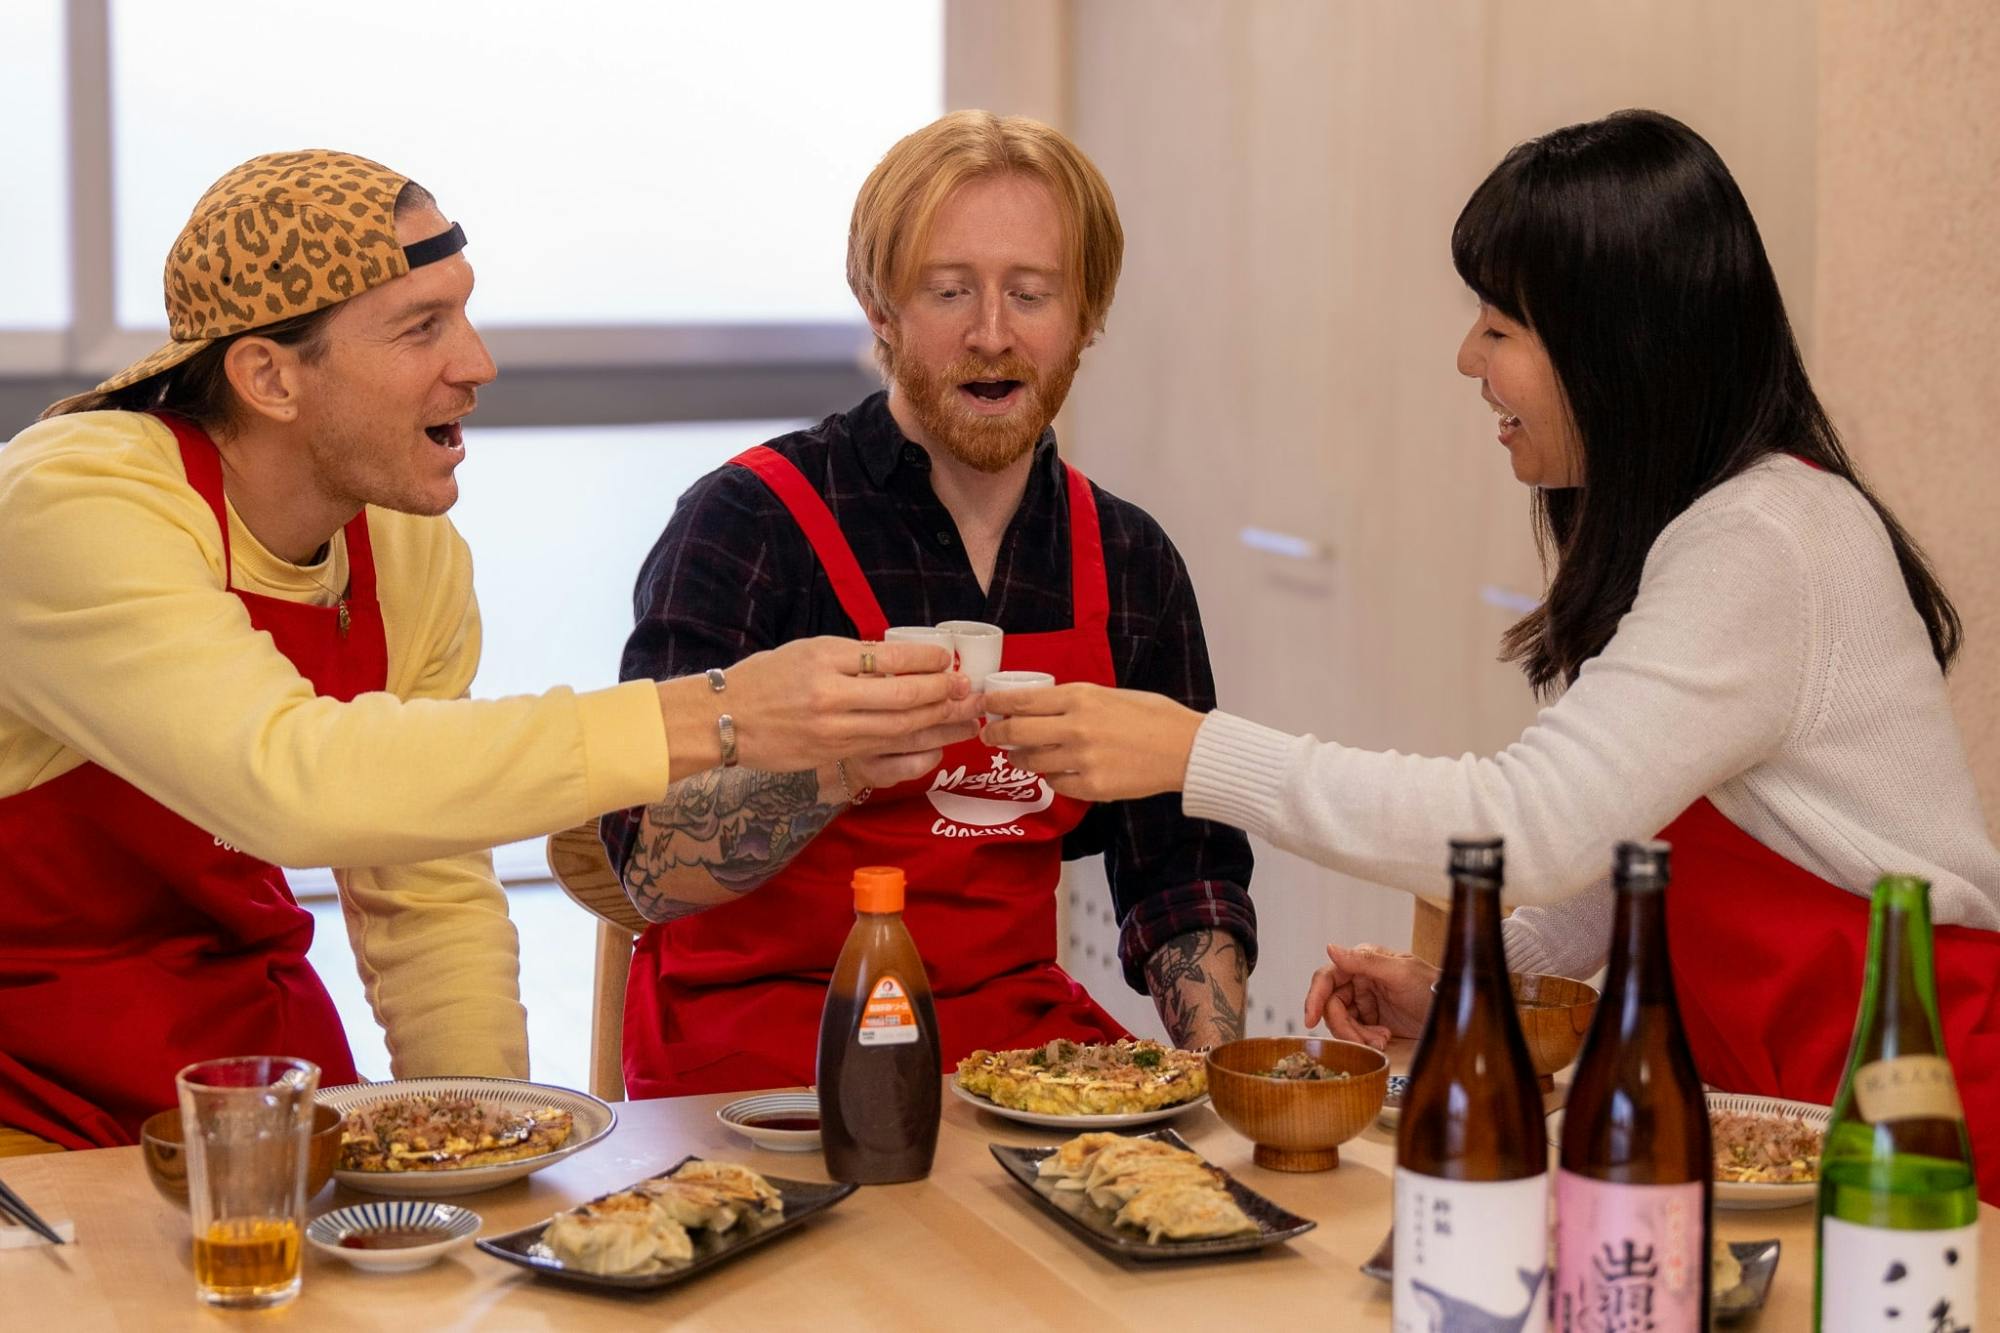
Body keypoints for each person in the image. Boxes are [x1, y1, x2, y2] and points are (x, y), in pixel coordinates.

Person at [983, 110, 2000, 1198]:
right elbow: (1634, 850)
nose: (1466, 357)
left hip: (1905, 1104)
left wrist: (1195, 751)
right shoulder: (1707, 532)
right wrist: (1474, 988)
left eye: (1501, 325)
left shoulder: (1764, 541)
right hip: (1771, 1110)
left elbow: (1536, 826)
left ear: (1619, 349)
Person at [0, 150, 975, 1154]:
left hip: (260, 1089)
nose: (476, 363)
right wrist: (714, 713)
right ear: (267, 376)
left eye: (461, 313)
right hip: (29, 1107)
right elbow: (286, 778)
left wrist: (485, 1127)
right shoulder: (72, 504)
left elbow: (423, 879)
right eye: (422, 327)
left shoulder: (404, 543)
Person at [601, 111, 1256, 1098]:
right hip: (757, 1057)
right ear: (878, 306)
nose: (991, 335)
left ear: (1085, 317)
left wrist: (1217, 1080)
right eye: (948, 291)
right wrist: (839, 767)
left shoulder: (1126, 562)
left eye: (1030, 294)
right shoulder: (748, 524)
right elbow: (646, 866)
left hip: (1009, 1056)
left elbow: (1182, 867)